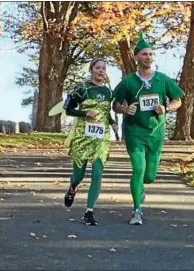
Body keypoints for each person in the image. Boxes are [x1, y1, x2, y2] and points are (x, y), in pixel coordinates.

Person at [113, 34, 185, 225]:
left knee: (150, 176)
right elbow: (116, 105)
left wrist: (166, 108)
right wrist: (125, 109)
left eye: (151, 54)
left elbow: (177, 100)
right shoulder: (128, 82)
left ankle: (141, 189)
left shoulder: (163, 80)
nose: (149, 57)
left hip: (156, 132)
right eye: (145, 54)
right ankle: (137, 211)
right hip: (134, 131)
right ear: (136, 57)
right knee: (138, 168)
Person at [63, 58, 116, 226]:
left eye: (104, 68)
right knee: (78, 175)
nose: (101, 71)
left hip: (101, 138)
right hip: (82, 136)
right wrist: (84, 114)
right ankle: (72, 188)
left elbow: (106, 112)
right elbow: (68, 109)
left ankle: (89, 212)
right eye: (98, 68)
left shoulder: (108, 91)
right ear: (91, 70)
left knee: (97, 174)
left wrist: (111, 122)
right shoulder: (82, 88)